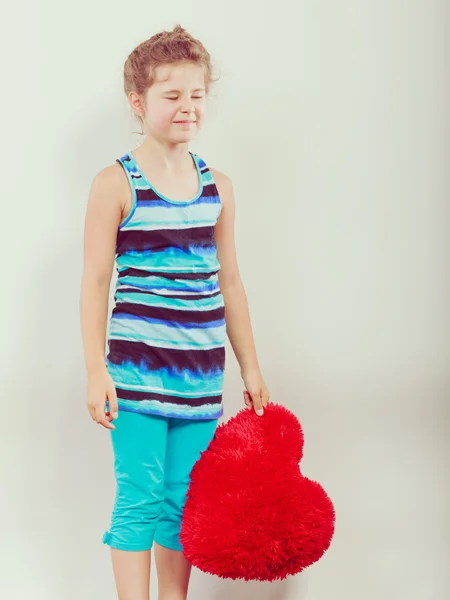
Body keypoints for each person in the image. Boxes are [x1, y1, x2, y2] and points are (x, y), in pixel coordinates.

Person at [80, 24, 270, 600]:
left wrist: (251, 369)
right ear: (137, 103)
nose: (188, 107)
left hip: (200, 380)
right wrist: (96, 371)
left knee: (183, 505)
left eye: (197, 95)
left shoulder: (219, 187)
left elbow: (231, 282)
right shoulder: (116, 183)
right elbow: (93, 282)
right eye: (172, 95)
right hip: (135, 378)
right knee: (138, 497)